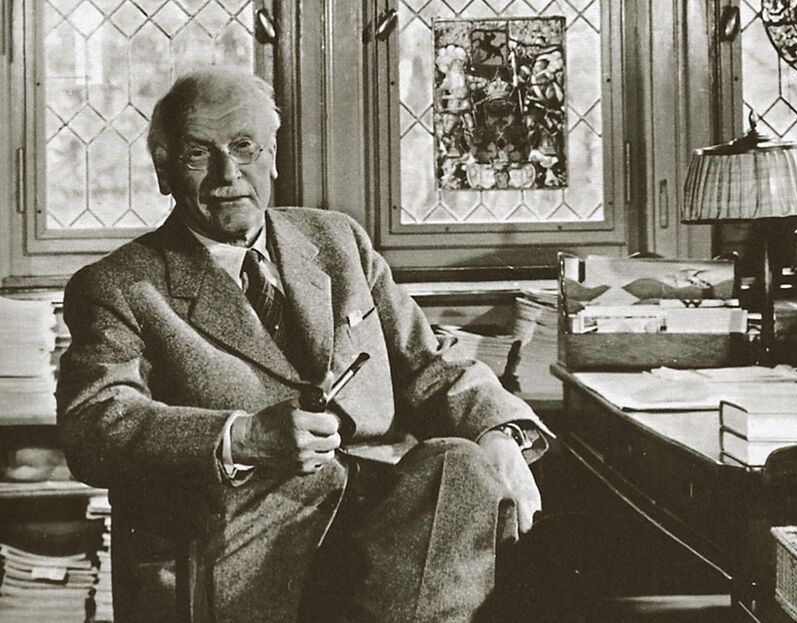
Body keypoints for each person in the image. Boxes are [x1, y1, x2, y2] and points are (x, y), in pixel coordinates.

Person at [56, 68, 548, 623]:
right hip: (249, 543)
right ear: (163, 170)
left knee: (461, 464)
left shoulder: (337, 240)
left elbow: (428, 363)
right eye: (198, 154)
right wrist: (243, 437)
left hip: (387, 524)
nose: (227, 174)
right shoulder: (119, 285)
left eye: (244, 147)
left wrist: (498, 432)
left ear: (272, 157)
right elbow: (94, 424)